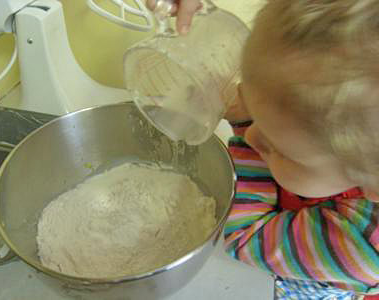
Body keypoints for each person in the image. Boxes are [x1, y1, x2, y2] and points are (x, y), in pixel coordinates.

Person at [148, 0, 379, 299]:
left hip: (323, 283)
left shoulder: (361, 246)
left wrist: (243, 124)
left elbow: (247, 238)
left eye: (279, 149)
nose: (255, 138)